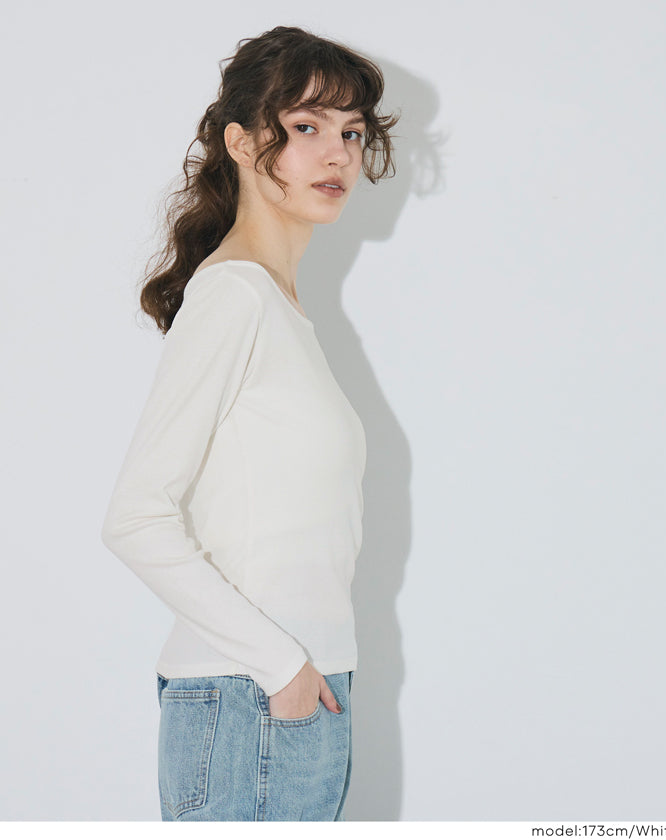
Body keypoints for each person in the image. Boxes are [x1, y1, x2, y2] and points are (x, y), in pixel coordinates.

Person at [100, 25, 398, 821]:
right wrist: (281, 668)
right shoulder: (234, 297)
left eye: (351, 133)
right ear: (240, 143)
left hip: (295, 689)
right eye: (305, 127)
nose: (337, 154)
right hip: (254, 698)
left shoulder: (279, 306)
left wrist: (303, 673)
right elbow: (135, 518)